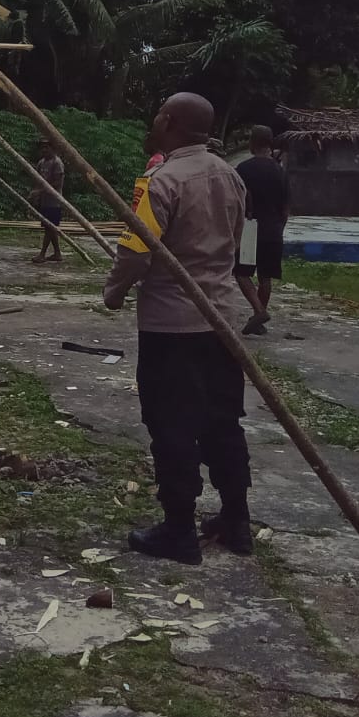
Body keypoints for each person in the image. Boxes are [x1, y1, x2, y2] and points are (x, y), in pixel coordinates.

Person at [104, 92, 254, 563]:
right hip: (222, 321)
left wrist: (114, 291)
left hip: (171, 325)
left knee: (171, 425)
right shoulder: (232, 177)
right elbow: (236, 244)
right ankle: (236, 520)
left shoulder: (160, 182)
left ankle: (178, 531)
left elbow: (137, 250)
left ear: (168, 121)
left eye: (156, 113)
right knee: (223, 422)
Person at [234, 125, 290, 336]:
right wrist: (279, 229)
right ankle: (259, 318)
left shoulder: (244, 169)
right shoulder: (281, 172)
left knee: (241, 273)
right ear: (270, 143)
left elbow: (240, 200)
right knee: (265, 276)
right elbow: (286, 209)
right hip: (274, 229)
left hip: (251, 228)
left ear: (252, 143)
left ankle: (258, 311)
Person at [29, 138, 66, 264]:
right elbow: (38, 179)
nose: (44, 150)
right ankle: (57, 253)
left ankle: (42, 254)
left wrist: (40, 191)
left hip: (54, 201)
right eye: (43, 147)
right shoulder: (42, 163)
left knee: (50, 227)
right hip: (44, 200)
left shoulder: (57, 163)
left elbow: (58, 183)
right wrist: (36, 193)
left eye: (47, 147)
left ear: (53, 149)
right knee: (49, 227)